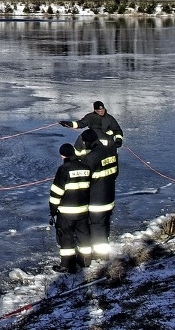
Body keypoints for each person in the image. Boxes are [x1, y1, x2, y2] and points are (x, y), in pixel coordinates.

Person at [49, 142, 92, 274]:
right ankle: (86, 260)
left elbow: (56, 192)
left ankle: (67, 265)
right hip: (83, 210)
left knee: (66, 237)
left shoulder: (63, 169)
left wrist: (53, 209)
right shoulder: (86, 167)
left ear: (62, 156)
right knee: (83, 235)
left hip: (67, 212)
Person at [80, 128, 119, 261]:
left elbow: (84, 179)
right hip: (109, 195)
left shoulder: (91, 157)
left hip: (96, 199)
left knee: (97, 226)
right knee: (105, 224)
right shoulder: (111, 151)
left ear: (87, 142)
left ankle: (101, 255)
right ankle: (104, 250)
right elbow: (115, 173)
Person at [59, 100, 124, 152]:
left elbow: (117, 130)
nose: (101, 112)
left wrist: (118, 140)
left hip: (107, 144)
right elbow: (81, 124)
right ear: (95, 110)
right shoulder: (90, 117)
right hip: (93, 143)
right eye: (99, 111)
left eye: (102, 110)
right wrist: (68, 124)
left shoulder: (110, 119)